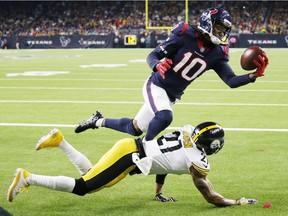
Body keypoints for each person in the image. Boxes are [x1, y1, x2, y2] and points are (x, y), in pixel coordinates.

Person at [74, 8, 269, 201]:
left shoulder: (217, 52)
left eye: (224, 31)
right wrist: (157, 65)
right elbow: (152, 56)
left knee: (135, 127)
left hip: (172, 95)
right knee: (165, 116)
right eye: (219, 28)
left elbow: (231, 80)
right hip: (156, 84)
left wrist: (253, 76)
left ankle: (97, 121)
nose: (221, 34)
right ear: (208, 23)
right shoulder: (185, 34)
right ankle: (143, 153)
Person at [7, 121, 258, 207]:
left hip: (130, 149)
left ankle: (60, 141)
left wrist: (158, 191)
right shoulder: (198, 162)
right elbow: (210, 195)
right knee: (85, 186)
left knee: (92, 175)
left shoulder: (187, 134)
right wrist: (235, 201)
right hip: (130, 157)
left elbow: (168, 164)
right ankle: (27, 177)